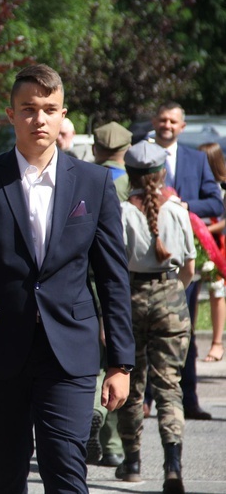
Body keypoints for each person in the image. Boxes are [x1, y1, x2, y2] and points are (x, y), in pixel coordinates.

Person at [0, 64, 134, 494]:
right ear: (10, 115)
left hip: (69, 354)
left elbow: (112, 278)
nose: (40, 119)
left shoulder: (94, 182)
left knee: (66, 472)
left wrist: (121, 363)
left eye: (49, 109)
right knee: (5, 475)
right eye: (28, 109)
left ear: (63, 114)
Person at [115, 141, 195, 494]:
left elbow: (111, 270)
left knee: (132, 385)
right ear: (163, 173)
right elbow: (189, 269)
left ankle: (132, 462)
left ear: (129, 175)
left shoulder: (120, 213)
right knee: (169, 388)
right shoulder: (177, 211)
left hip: (130, 299)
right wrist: (173, 293)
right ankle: (173, 465)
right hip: (171, 298)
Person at [154, 100, 222, 420]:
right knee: (146, 330)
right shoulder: (142, 157)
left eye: (172, 122)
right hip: (147, 259)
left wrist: (182, 205)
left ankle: (189, 399)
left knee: (186, 332)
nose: (166, 125)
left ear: (182, 127)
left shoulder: (196, 160)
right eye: (162, 120)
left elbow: (215, 203)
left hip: (185, 262)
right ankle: (143, 400)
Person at [86, 120, 133, 468]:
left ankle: (86, 418)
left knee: (85, 363)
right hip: (128, 286)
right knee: (119, 366)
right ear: (126, 150)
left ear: (95, 149)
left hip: (84, 285)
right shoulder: (142, 183)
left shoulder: (83, 180)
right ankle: (114, 445)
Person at [198, 142, 226, 362]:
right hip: (195, 240)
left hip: (216, 244)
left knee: (217, 292)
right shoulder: (195, 184)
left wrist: (204, 231)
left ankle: (217, 343)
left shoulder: (221, 187)